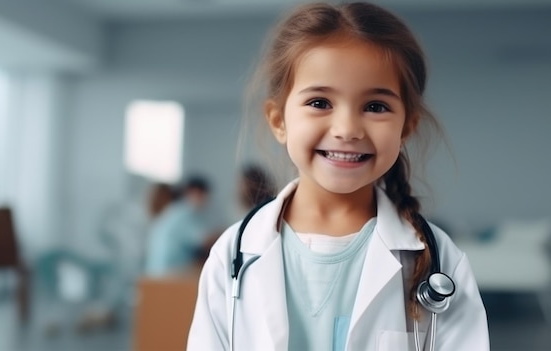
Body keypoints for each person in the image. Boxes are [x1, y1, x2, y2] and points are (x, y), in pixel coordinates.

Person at [187, 2, 489, 351]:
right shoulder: (233, 254)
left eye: (375, 106)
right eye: (319, 103)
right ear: (278, 121)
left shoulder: (442, 263)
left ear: (406, 126)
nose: (347, 129)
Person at [144, 175, 211, 277]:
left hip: (154, 275)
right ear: (195, 193)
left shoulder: (169, 212)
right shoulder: (185, 212)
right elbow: (205, 240)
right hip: (170, 276)